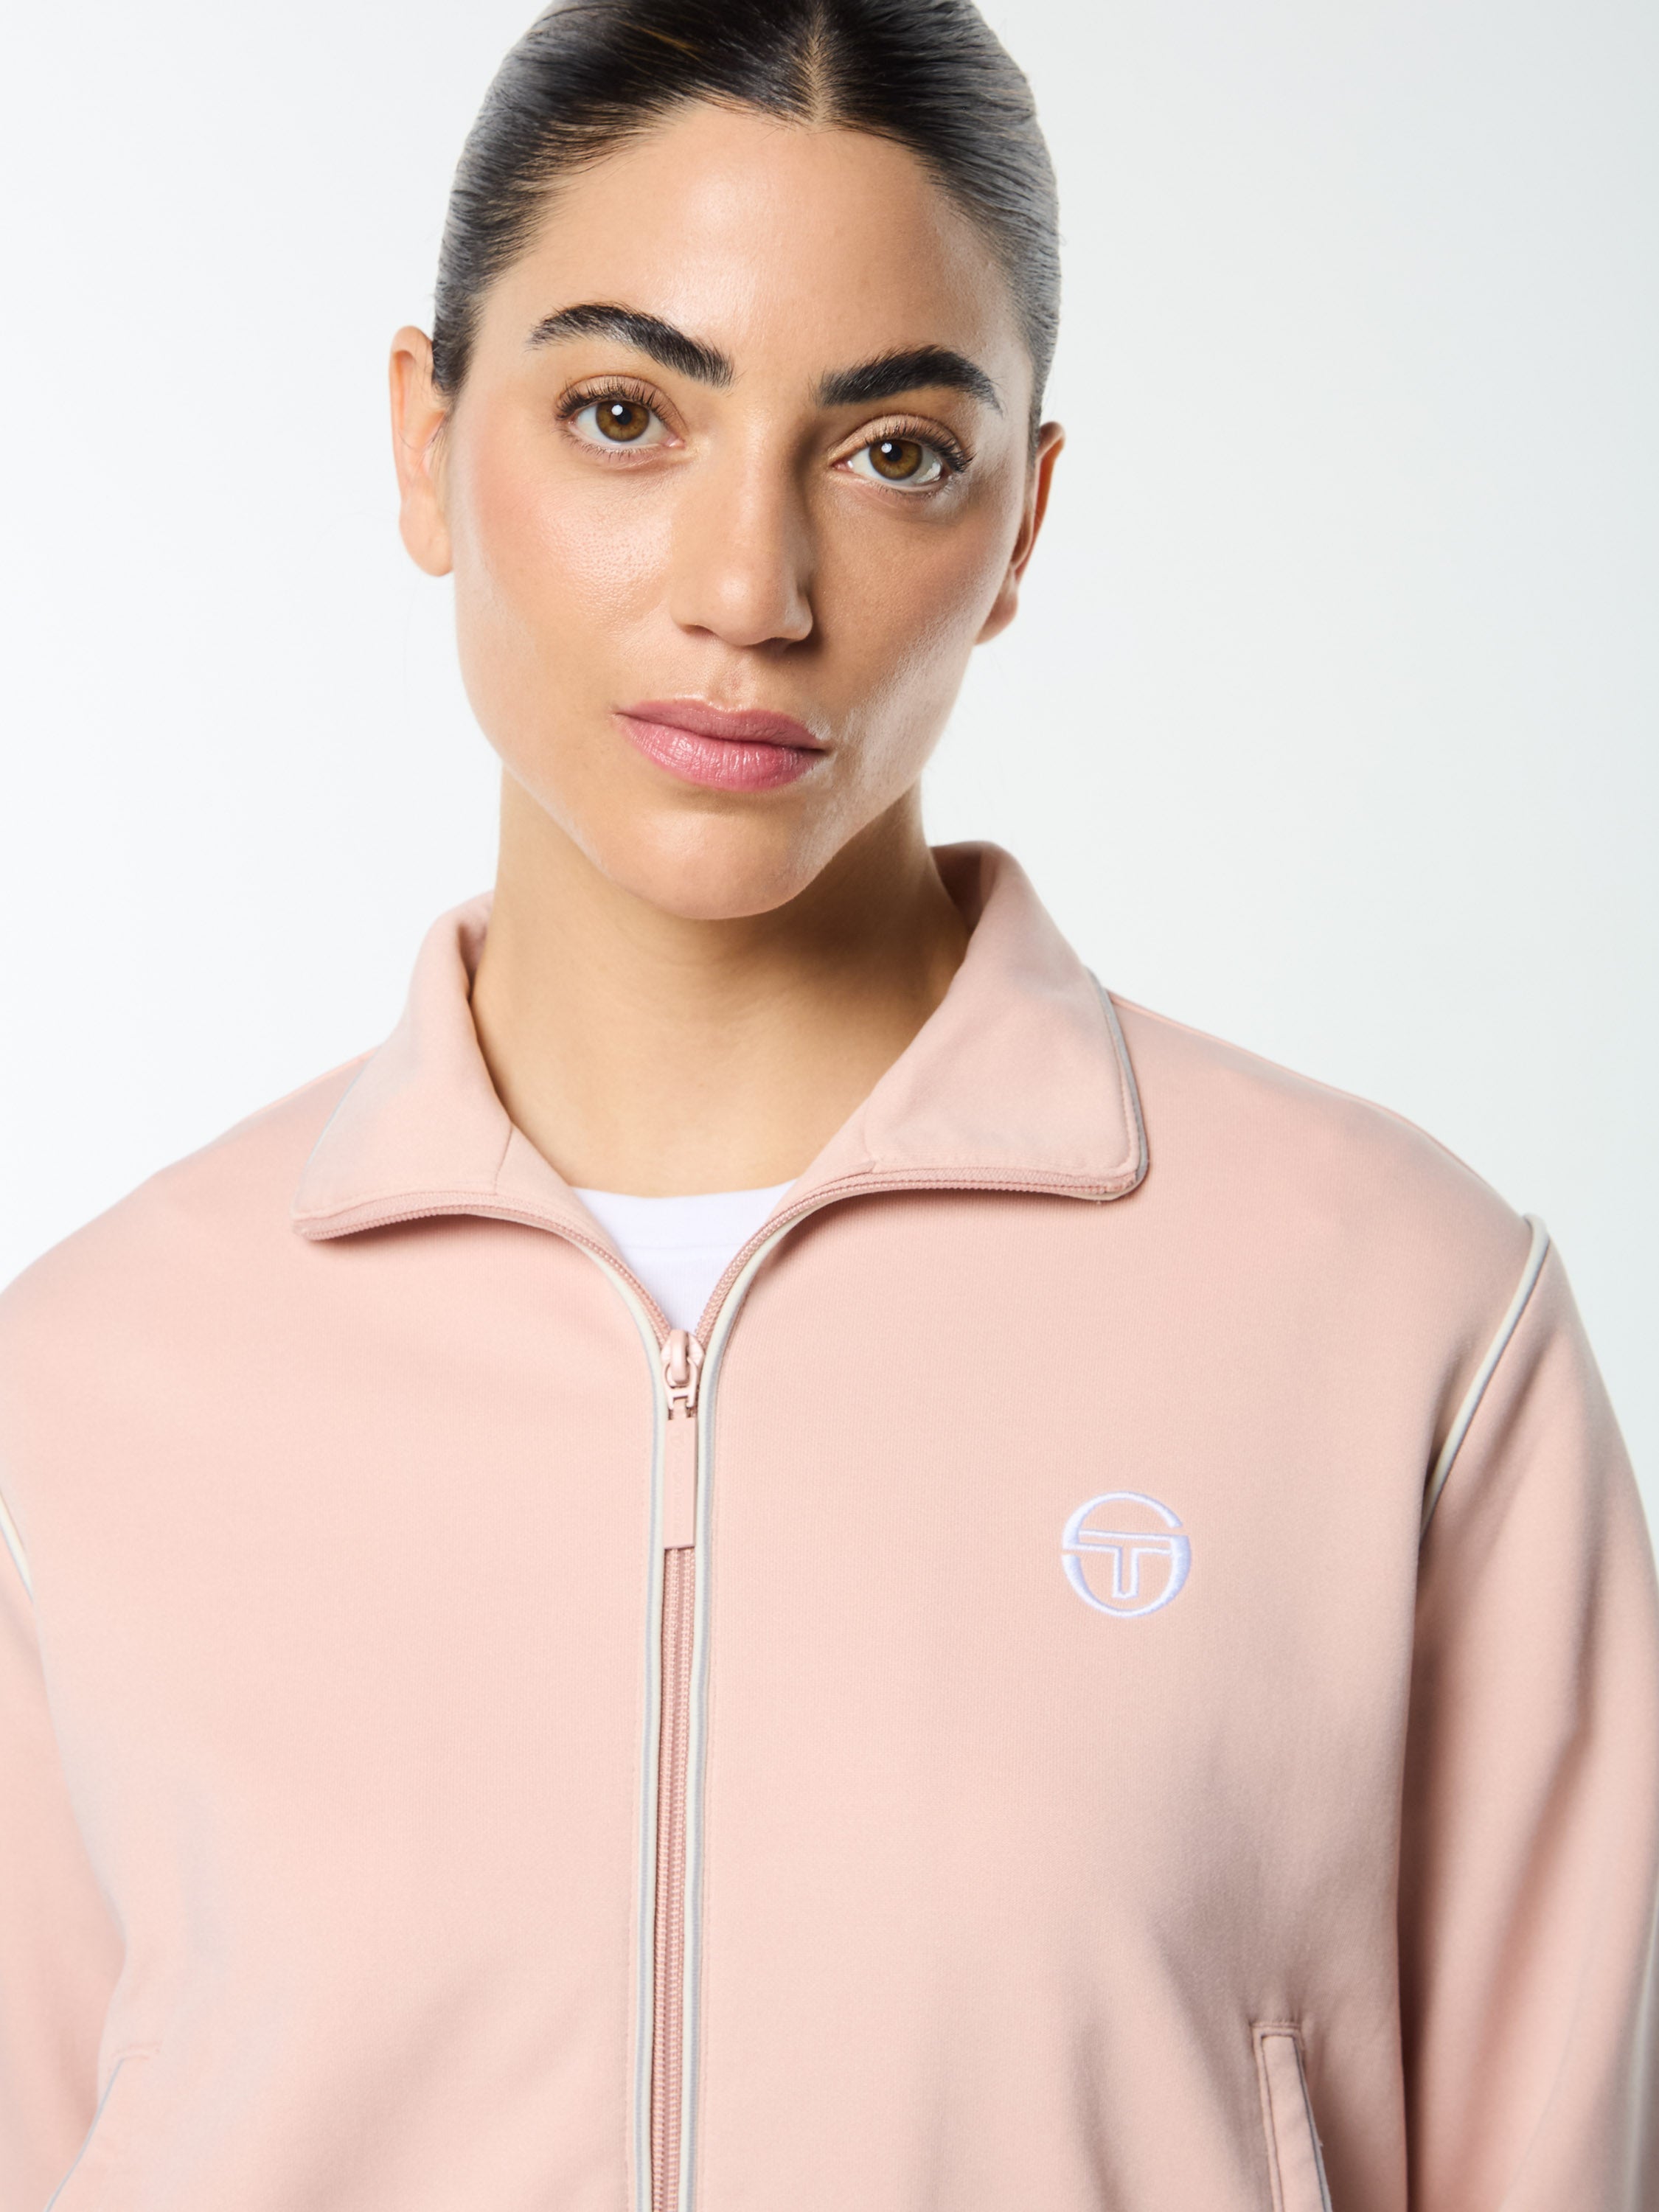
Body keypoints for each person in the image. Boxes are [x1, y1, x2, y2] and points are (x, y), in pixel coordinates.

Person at [1, 1, 1653, 2205]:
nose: (748, 592)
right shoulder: (83, 1399)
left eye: (892, 453)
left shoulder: (1401, 1329)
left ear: (1023, 520)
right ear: (425, 439)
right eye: (624, 415)